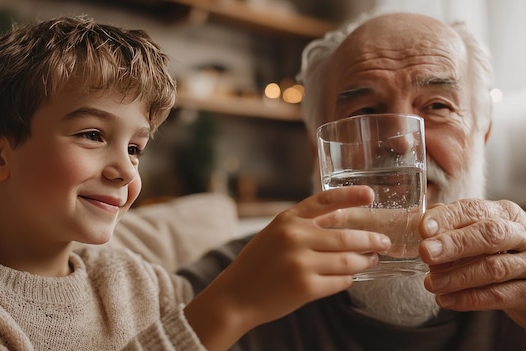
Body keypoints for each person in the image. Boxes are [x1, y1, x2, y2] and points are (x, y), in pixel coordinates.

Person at [0, 15, 394, 351]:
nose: (126, 170)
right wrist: (226, 308)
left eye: (135, 147)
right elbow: (206, 326)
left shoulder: (137, 280)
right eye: (93, 135)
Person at [178, 12, 526, 350]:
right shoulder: (233, 279)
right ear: (319, 150)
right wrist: (228, 308)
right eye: (365, 113)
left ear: (482, 137)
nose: (402, 141)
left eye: (437, 106)